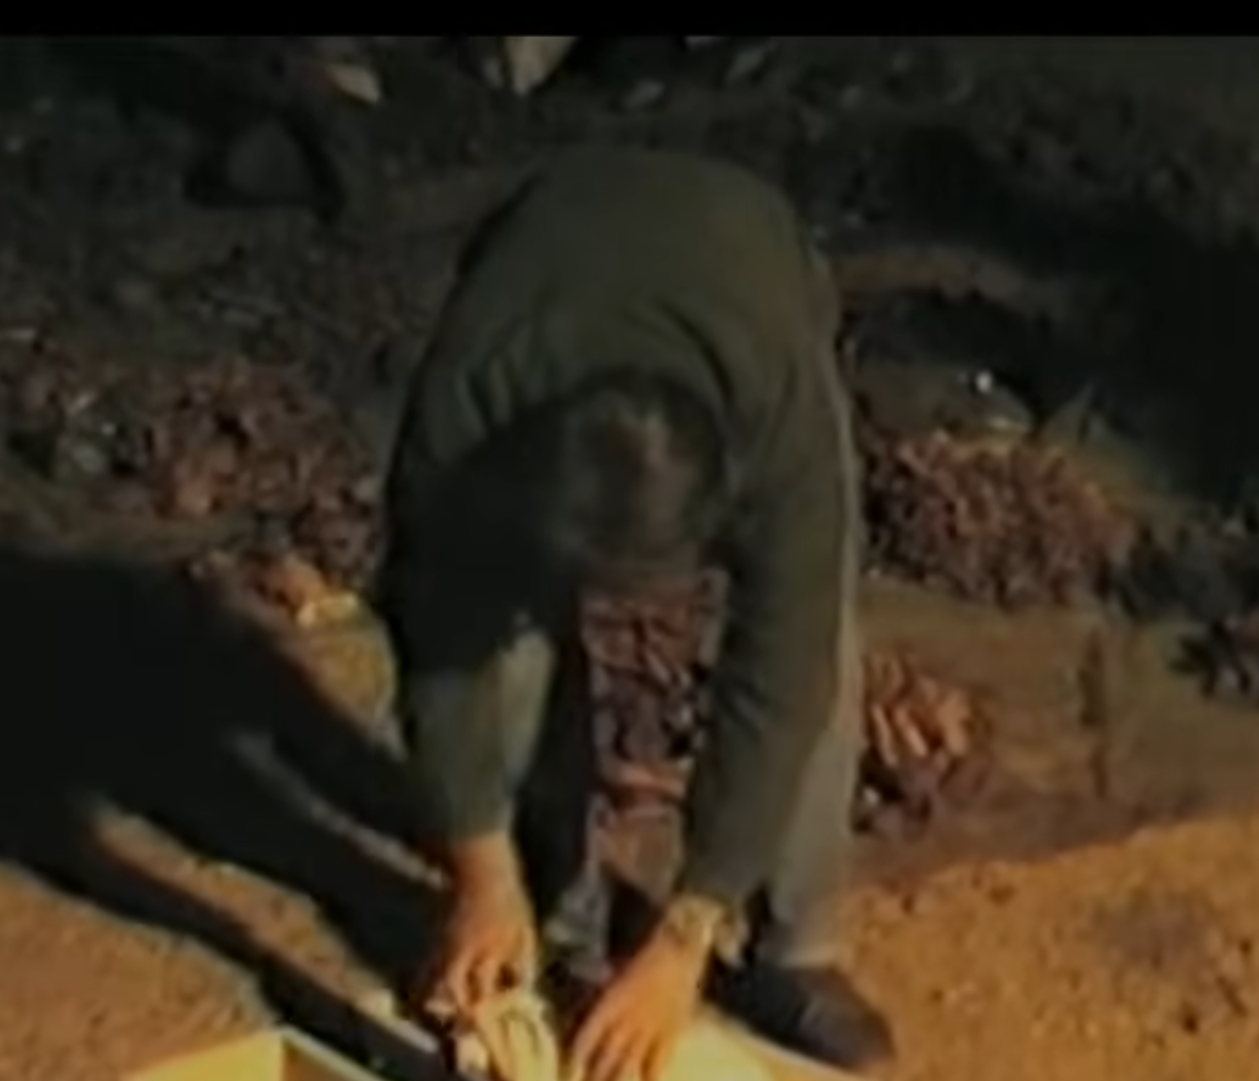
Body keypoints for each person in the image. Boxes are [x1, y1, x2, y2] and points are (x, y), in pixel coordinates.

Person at [374, 146, 895, 1081]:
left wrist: (688, 930)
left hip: (748, 249)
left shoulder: (778, 417)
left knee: (823, 648)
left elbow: (781, 674)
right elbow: (440, 643)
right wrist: (479, 870)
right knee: (511, 642)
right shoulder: (472, 399)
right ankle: (558, 921)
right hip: (543, 252)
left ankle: (795, 950)